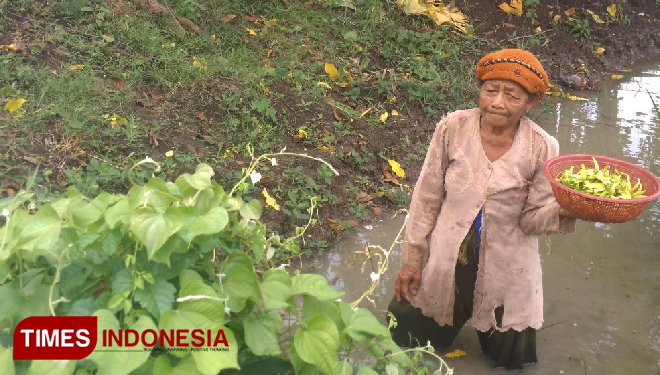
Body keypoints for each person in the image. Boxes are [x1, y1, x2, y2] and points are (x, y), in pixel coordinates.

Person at [387, 48, 580, 370]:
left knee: (508, 356)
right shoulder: (452, 128)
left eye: (512, 96)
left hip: (509, 263)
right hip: (447, 252)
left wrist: (568, 210)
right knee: (405, 339)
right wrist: (413, 260)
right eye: (490, 91)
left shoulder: (543, 146)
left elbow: (532, 221)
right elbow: (426, 197)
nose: (497, 103)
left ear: (530, 103)